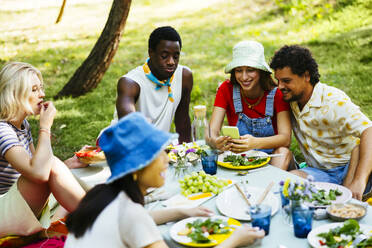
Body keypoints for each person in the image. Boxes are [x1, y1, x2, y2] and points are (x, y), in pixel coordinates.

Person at [65, 112, 265, 248]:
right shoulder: (131, 215)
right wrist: (234, 240)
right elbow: (136, 220)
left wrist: (180, 211)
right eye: (158, 154)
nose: (166, 159)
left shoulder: (102, 194)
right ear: (136, 169)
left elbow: (135, 221)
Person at [270, 45, 372, 200]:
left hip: (349, 167)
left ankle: (353, 191)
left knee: (358, 151)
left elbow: (369, 130)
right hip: (318, 172)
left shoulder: (333, 101)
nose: (280, 86)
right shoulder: (290, 100)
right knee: (290, 183)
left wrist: (359, 180)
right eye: (278, 80)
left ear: (306, 76)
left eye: (286, 81)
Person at [0, 62, 86, 237]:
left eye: (40, 88)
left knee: (74, 181)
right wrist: (45, 127)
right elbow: (39, 173)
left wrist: (67, 164)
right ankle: (102, 218)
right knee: (61, 181)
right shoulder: (2, 130)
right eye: (34, 89)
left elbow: (36, 163)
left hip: (19, 202)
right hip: (4, 210)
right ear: (14, 94)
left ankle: (93, 215)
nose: (42, 94)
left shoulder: (21, 125)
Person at [209, 41, 292, 170]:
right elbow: (211, 132)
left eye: (250, 70)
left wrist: (254, 143)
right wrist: (215, 142)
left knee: (283, 152)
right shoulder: (226, 89)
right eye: (238, 70)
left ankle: (270, 187)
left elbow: (285, 138)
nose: (244, 77)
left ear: (261, 71)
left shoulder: (277, 94)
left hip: (272, 159)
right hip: (239, 159)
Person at [114, 26, 193, 143]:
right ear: (151, 53)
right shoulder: (131, 83)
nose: (171, 62)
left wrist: (188, 154)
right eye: (164, 56)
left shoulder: (184, 76)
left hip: (159, 147)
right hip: (122, 146)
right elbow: (129, 126)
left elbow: (183, 121)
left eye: (176, 57)